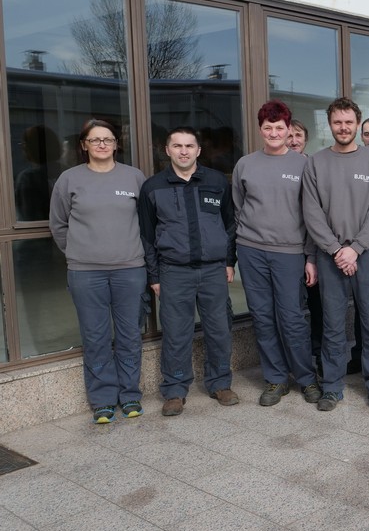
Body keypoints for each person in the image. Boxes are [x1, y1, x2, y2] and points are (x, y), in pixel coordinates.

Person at [49, 120, 147, 423]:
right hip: (86, 273)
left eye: (108, 139)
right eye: (95, 140)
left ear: (116, 144)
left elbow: (147, 222)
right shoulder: (69, 179)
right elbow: (59, 224)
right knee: (95, 336)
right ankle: (103, 399)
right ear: (84, 145)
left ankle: (130, 395)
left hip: (130, 269)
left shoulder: (134, 177)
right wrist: (79, 253)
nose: (102, 144)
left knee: (130, 334)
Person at [139, 127, 238, 417]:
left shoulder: (217, 181)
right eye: (178, 146)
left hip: (213, 270)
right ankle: (175, 390)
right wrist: (154, 276)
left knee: (219, 329)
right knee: (175, 333)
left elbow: (230, 225)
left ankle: (220, 383)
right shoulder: (152, 187)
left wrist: (229, 261)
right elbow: (146, 236)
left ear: (198, 150)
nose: (184, 151)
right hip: (174, 271)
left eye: (189, 146)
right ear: (167, 150)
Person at [302, 98, 369, 411]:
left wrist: (355, 248)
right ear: (330, 125)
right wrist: (337, 250)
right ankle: (332, 386)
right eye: (337, 122)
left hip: (368, 254)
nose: (343, 127)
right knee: (333, 324)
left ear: (357, 123)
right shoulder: (316, 162)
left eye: (348, 122)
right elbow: (312, 213)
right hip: (330, 256)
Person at [232, 100, 321, 407]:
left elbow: (313, 215)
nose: (273, 133)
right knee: (262, 316)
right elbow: (239, 207)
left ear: (288, 129)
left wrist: (310, 257)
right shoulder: (245, 164)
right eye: (268, 128)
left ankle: (306, 378)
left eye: (279, 128)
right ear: (260, 129)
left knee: (292, 317)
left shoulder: (303, 166)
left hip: (290, 253)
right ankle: (276, 379)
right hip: (252, 251)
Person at [286, 119, 324, 374]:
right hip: (286, 249)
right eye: (289, 136)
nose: (293, 140)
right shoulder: (275, 167)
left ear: (306, 139)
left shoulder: (316, 166)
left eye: (297, 135)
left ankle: (319, 356)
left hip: (316, 248)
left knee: (318, 306)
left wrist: (313, 254)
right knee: (291, 308)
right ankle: (294, 359)